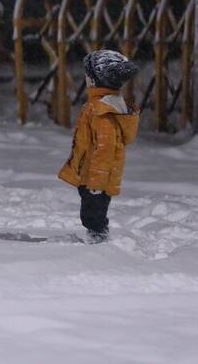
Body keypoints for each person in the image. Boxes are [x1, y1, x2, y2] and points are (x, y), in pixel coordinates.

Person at [58, 50, 140, 243]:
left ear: (96, 80)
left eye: (88, 75)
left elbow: (105, 148)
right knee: (93, 210)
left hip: (95, 178)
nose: (86, 78)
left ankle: (98, 240)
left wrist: (96, 183)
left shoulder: (102, 110)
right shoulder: (102, 104)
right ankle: (97, 235)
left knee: (93, 213)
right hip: (91, 174)